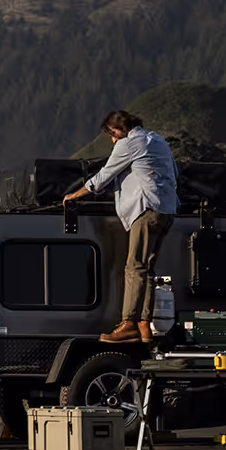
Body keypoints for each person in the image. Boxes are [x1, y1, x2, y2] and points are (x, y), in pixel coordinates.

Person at [63, 110, 179, 344]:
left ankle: (128, 324)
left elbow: (105, 174)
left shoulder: (129, 143)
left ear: (117, 129)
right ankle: (144, 326)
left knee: (133, 267)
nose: (113, 141)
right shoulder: (158, 141)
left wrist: (74, 195)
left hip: (145, 210)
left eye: (112, 135)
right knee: (147, 269)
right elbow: (175, 173)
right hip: (166, 210)